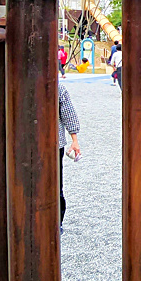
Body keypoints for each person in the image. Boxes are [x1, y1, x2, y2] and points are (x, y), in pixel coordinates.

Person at [58, 83, 81, 228]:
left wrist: (75, 140)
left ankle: (56, 220)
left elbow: (68, 113)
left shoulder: (58, 88)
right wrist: (74, 139)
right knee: (55, 182)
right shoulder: (58, 86)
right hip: (55, 141)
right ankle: (56, 221)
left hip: (54, 142)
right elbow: (68, 113)